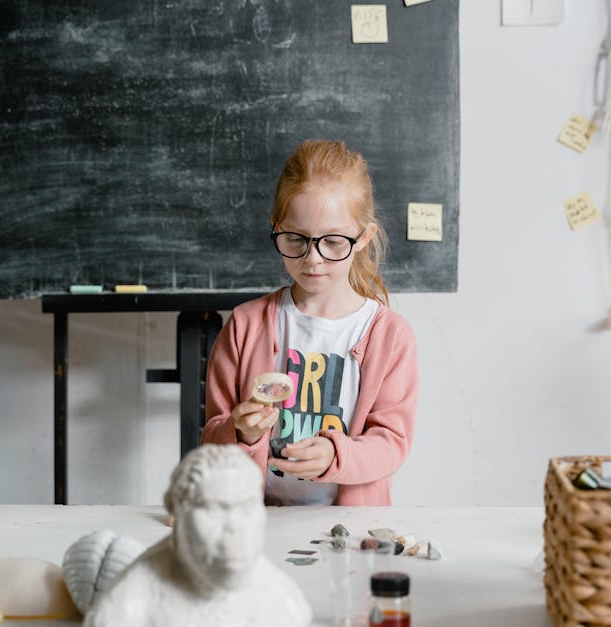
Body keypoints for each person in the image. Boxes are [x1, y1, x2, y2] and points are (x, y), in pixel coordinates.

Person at [201, 139, 418, 506]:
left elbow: (392, 443)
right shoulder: (244, 326)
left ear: (363, 237)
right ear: (277, 227)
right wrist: (239, 431)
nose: (313, 259)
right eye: (295, 239)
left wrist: (337, 455)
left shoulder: (390, 336)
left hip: (347, 531)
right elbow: (211, 438)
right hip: (257, 523)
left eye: (333, 242)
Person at [84, 444, 311, 626]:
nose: (234, 527)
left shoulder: (284, 601)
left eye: (247, 508)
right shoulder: (127, 608)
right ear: (177, 514)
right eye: (212, 510)